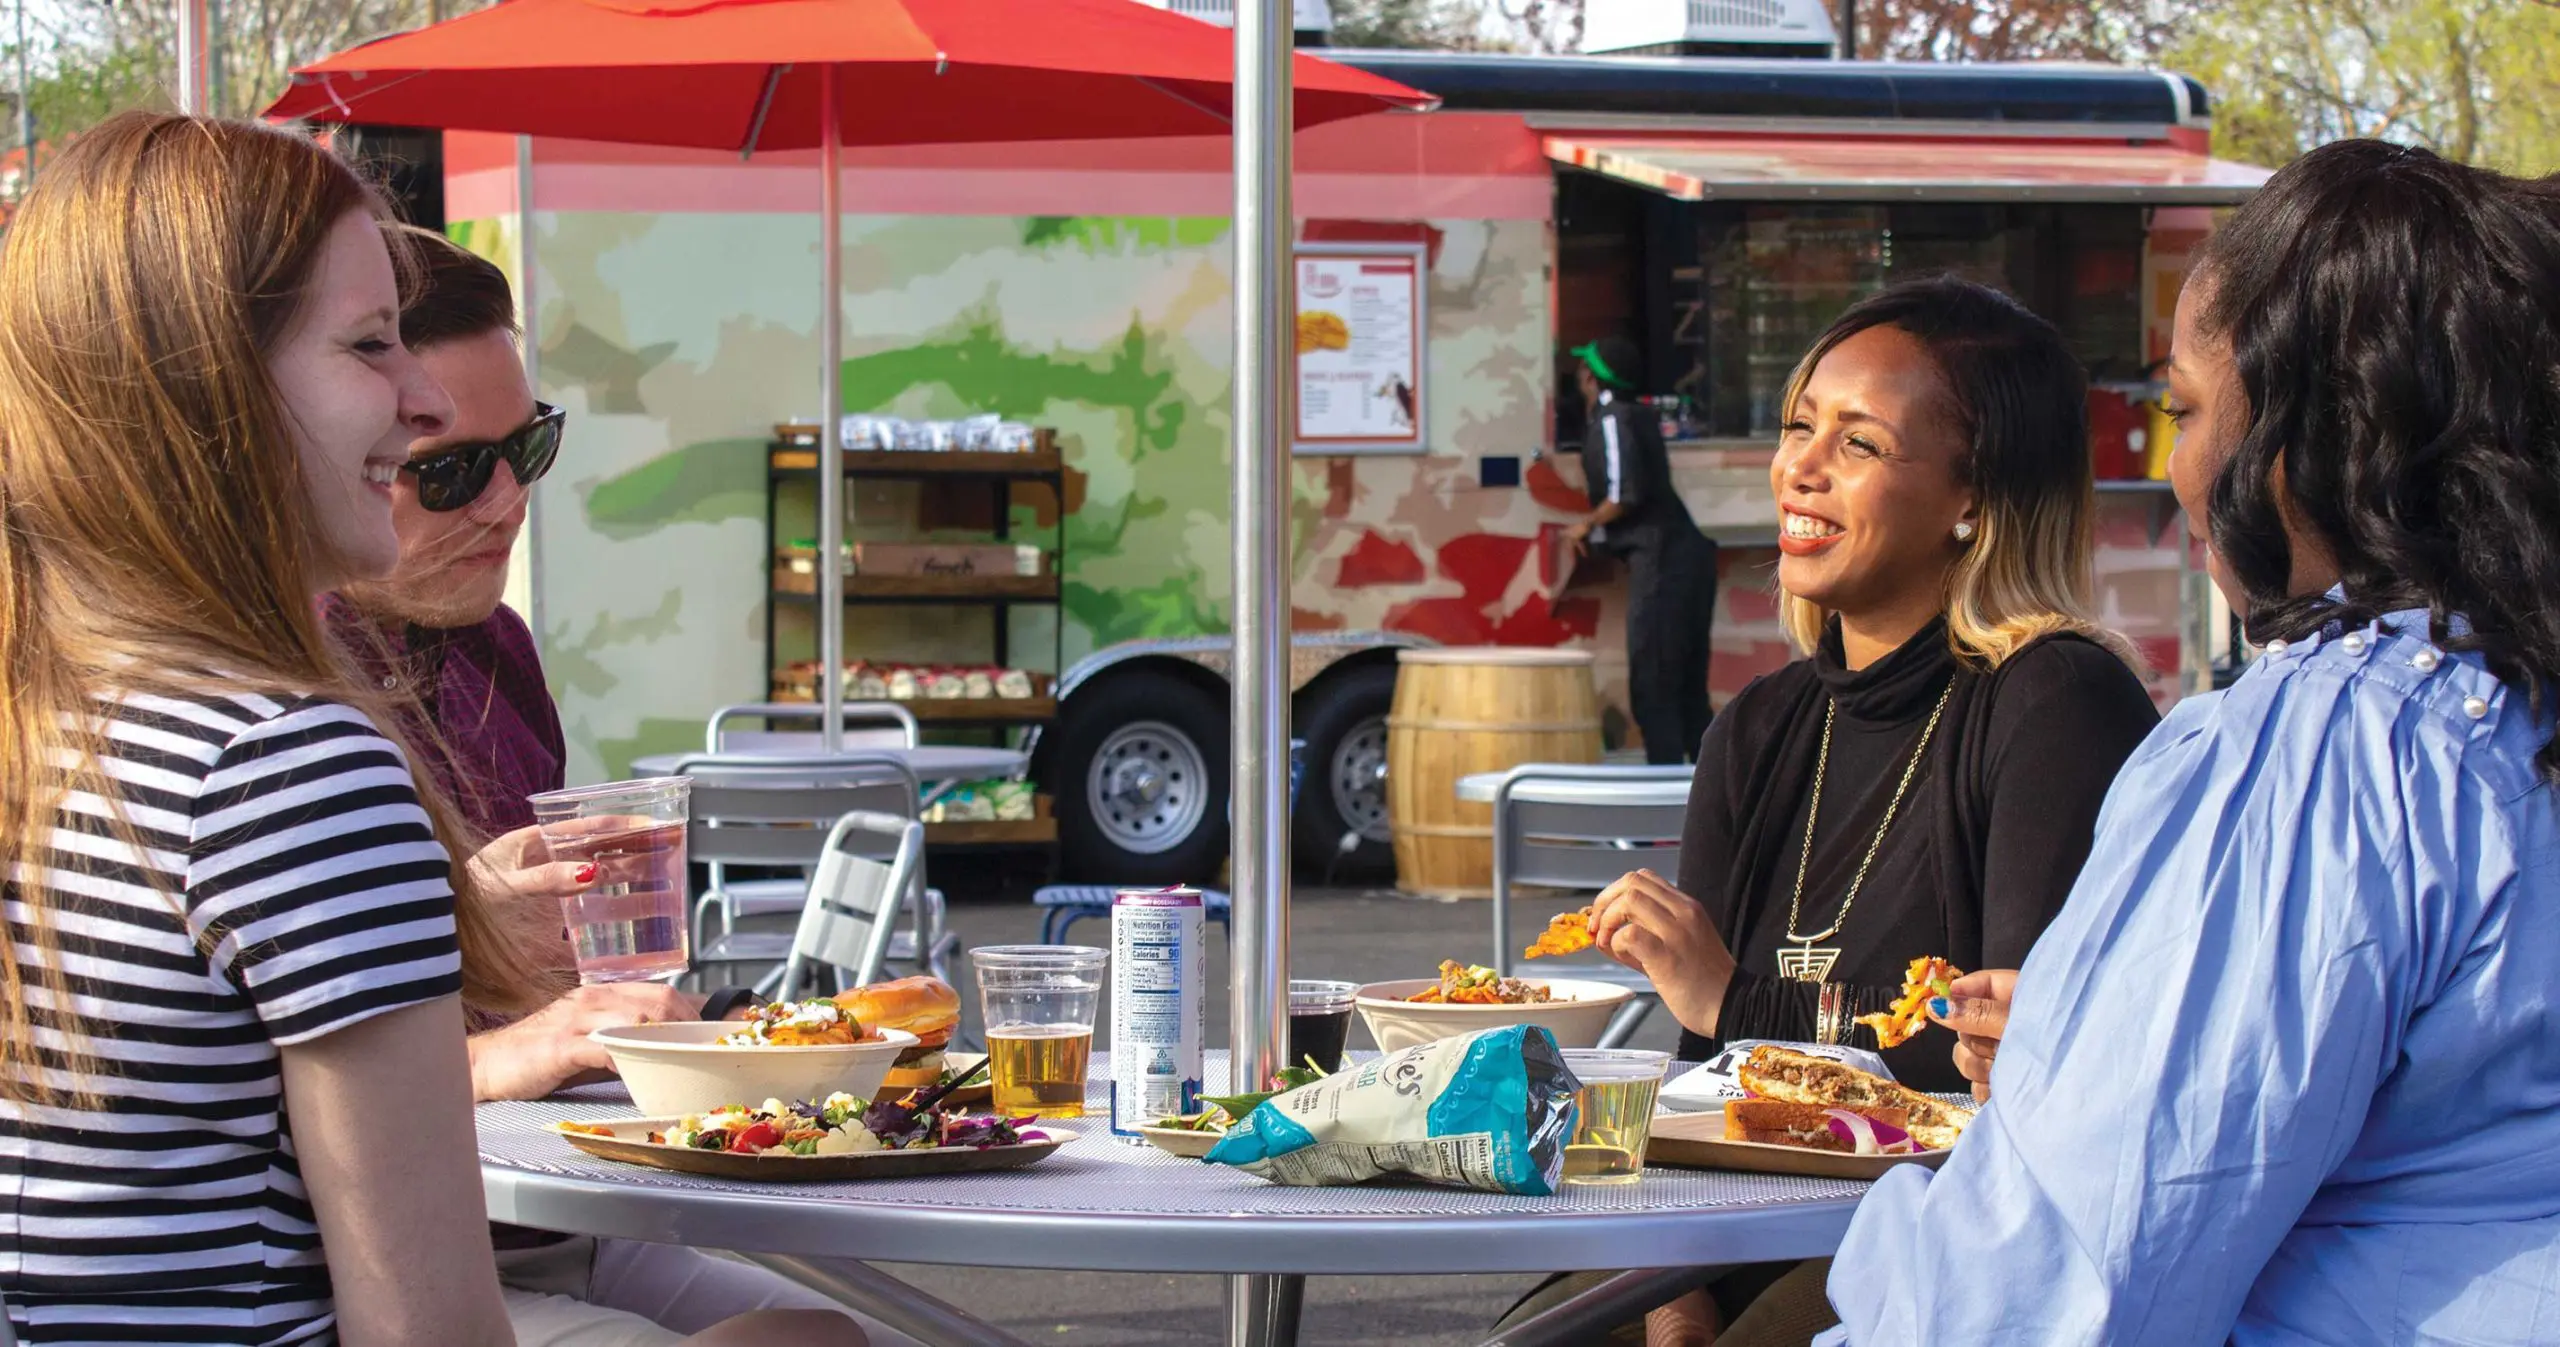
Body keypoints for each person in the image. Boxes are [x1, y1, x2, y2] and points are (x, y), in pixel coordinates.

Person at [0, 111, 851, 1347]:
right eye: (368, 345)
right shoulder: (287, 766)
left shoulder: (58, 713)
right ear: (207, 392)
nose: (416, 402)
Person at [1822, 141, 2560, 1347]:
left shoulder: (2332, 748)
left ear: (2306, 436)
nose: (2175, 466)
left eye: (2185, 410)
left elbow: (2063, 1280)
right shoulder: (2498, 703)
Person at [1517, 278, 2159, 1346]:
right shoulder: (1759, 728)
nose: (1797, 469)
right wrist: (1665, 1271)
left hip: (1950, 1228)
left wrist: (1737, 1000)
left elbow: (2019, 1060)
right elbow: (1703, 1086)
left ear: (1973, 496)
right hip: (1734, 1220)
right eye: (1797, 427)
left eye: (1857, 444)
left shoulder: (2055, 701)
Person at [324, 227, 892, 1345]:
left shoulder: (494, 651)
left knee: (859, 1337)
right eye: (448, 471)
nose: (504, 502)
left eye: (527, 449)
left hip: (554, 1210)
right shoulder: (282, 701)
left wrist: (618, 1007)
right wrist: (491, 1044)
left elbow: (536, 992)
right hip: (392, 1258)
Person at [1565, 335, 1718, 764]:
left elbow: (1622, 493)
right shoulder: (1635, 415)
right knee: (1684, 689)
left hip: (1665, 561)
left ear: (1593, 378)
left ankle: (1666, 809)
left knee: (1654, 686)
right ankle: (1708, 805)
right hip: (1683, 557)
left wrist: (1587, 524)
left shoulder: (1614, 419)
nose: (1578, 377)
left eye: (1583, 370)